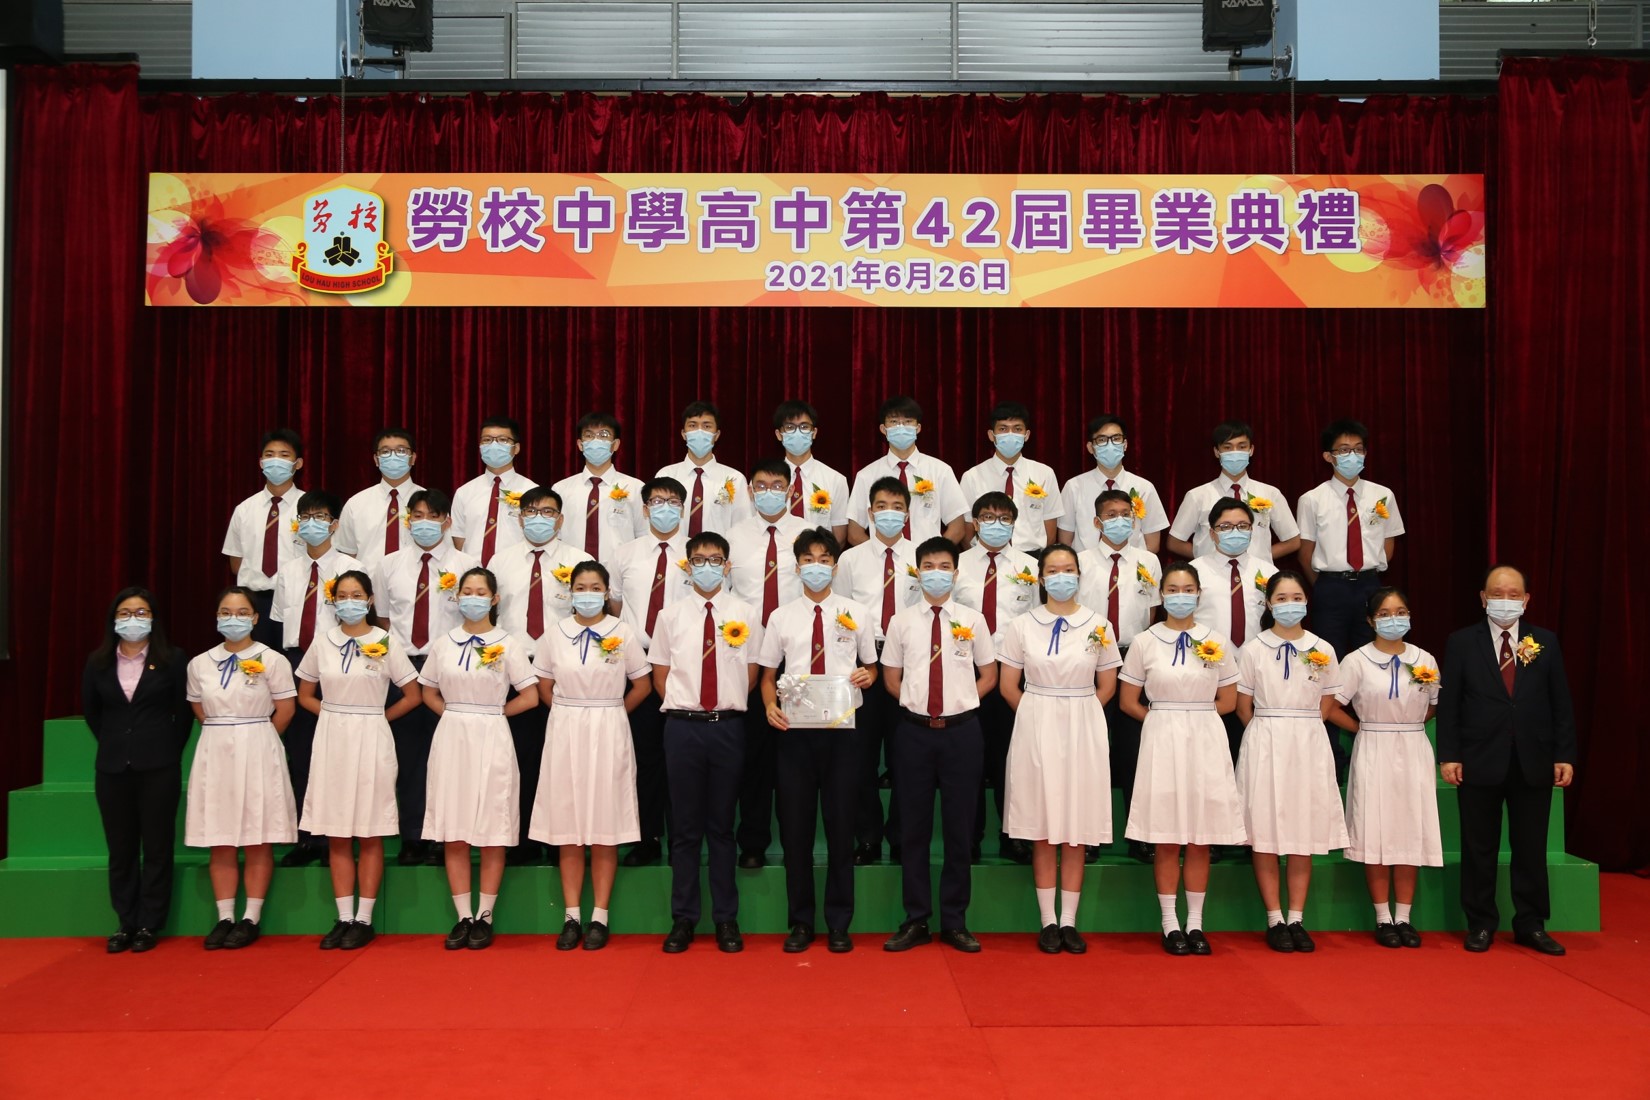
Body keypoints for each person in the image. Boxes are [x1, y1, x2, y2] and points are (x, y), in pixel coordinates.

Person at [1437, 565, 1576, 956]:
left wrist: (1564, 754)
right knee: (1478, 847)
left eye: (1514, 594)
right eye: (1497, 593)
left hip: (1533, 759)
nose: (1505, 600)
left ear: (1526, 599)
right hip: (1478, 759)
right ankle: (1481, 923)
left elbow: (1561, 702)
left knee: (1530, 847)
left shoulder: (1544, 641)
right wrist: (1449, 755)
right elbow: (1450, 704)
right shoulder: (1462, 642)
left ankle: (1531, 924)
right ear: (1483, 598)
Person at [758, 528, 879, 953]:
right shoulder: (781, 617)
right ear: (797, 567)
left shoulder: (856, 612)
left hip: (843, 735)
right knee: (796, 831)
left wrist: (867, 676)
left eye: (824, 559)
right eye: (808, 559)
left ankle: (839, 923)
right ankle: (801, 922)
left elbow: (871, 667)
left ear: (835, 566)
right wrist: (769, 706)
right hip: (794, 735)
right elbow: (768, 676)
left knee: (841, 828)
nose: (816, 566)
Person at [998, 546, 1120, 954]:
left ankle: (1069, 921)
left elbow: (1107, 685)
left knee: (1075, 828)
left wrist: (1077, 715)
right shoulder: (1022, 625)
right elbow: (1008, 686)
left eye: (1068, 569)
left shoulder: (1099, 624)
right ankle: (1047, 921)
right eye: (1053, 570)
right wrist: (1040, 715)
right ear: (1041, 578)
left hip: (1083, 724)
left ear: (1079, 574)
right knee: (1043, 826)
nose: (1061, 576)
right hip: (1036, 723)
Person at [295, 570, 423, 951]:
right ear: (332, 601)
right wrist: (334, 714)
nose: (348, 601)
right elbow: (304, 694)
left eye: (356, 595)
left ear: (369, 600)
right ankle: (343, 917)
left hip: (372, 736)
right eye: (342, 595)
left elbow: (413, 694)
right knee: (336, 831)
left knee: (369, 830)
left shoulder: (385, 641)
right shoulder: (323, 642)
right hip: (332, 737)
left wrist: (376, 717)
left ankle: (364, 919)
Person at [1119, 563, 1243, 957]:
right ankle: (1170, 923)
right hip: (1162, 738)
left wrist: (1194, 718)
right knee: (1167, 835)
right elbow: (1128, 701)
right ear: (1161, 595)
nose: (1180, 596)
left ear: (1199, 594)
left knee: (1200, 836)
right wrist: (1163, 720)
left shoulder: (1216, 641)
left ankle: (1196, 923)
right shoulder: (1144, 641)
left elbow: (1229, 699)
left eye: (1188, 589)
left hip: (1205, 736)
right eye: (1172, 589)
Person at [880, 536, 996, 954]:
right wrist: (918, 705)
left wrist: (959, 702)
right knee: (913, 829)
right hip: (913, 733)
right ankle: (916, 919)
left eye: (944, 566)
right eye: (928, 566)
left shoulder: (973, 620)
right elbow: (891, 678)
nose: (936, 573)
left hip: (962, 734)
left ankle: (954, 921)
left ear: (956, 572)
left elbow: (989, 674)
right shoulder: (901, 622)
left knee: (959, 829)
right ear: (917, 572)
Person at [649, 532, 764, 954]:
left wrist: (722, 706)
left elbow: (751, 672)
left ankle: (725, 918)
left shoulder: (746, 614)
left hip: (728, 728)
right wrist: (689, 708)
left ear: (727, 566)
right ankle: (683, 918)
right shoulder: (669, 616)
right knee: (684, 828)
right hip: (683, 728)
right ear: (687, 566)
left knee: (721, 826)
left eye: (716, 559)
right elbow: (661, 674)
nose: (707, 566)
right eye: (699, 559)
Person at [529, 562, 653, 952]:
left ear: (607, 592)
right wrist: (568, 712)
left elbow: (642, 684)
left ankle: (599, 916)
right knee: (568, 825)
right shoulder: (555, 633)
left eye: (595, 587)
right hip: (566, 728)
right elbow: (543, 684)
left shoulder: (622, 632)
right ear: (570, 592)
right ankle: (571, 917)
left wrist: (612, 713)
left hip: (609, 726)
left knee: (603, 824)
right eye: (580, 587)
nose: (587, 593)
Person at [419, 567, 540, 950]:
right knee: (454, 829)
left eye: (480, 592)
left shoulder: (508, 643)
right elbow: (427, 691)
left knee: (491, 828)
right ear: (457, 598)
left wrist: (493, 714)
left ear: (494, 598)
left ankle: (485, 916)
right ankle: (463, 916)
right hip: (453, 737)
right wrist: (455, 715)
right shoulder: (444, 643)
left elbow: (530, 696)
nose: (472, 598)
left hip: (492, 735)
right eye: (466, 592)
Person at [1234, 572, 1348, 954]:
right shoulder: (1253, 649)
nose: (1289, 604)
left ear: (1307, 601)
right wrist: (1270, 732)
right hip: (1266, 740)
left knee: (1302, 830)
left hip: (1307, 742)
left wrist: (1304, 727)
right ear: (1269, 604)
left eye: (1296, 596)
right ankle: (1274, 919)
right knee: (1265, 832)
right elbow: (1243, 705)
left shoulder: (1322, 648)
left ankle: (1296, 918)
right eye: (1281, 598)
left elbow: (1329, 699)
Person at [1326, 586, 1442, 949]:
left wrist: (1407, 725)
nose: (1395, 619)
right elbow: (1331, 707)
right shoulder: (1356, 660)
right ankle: (1383, 917)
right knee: (1375, 828)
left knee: (1410, 827)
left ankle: (1404, 916)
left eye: (1401, 612)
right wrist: (1363, 728)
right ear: (1371, 620)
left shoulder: (1425, 659)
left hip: (1413, 748)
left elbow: (1433, 705)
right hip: (1374, 747)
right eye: (1385, 614)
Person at [184, 587, 298, 950]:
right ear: (217, 617)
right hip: (216, 749)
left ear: (255, 618)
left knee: (256, 835)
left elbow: (286, 708)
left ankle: (251, 917)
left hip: (258, 745)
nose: (233, 619)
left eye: (242, 612)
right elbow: (199, 709)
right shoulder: (200, 663)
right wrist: (225, 732)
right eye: (226, 612)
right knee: (220, 836)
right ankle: (224, 917)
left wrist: (258, 737)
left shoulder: (272, 659)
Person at [370, 490, 479, 866]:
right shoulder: (389, 565)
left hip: (450, 667)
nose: (425, 523)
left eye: (433, 516)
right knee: (408, 756)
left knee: (450, 757)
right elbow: (385, 619)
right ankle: (414, 835)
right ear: (407, 520)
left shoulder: (467, 564)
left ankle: (445, 836)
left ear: (448, 521)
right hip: (404, 669)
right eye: (417, 516)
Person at [82, 588, 191, 954]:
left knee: (157, 846)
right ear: (113, 619)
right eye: (125, 612)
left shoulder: (173, 659)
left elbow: (182, 715)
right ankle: (126, 921)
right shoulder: (98, 662)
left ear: (153, 618)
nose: (133, 619)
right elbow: (93, 713)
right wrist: (118, 743)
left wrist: (165, 750)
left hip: (159, 766)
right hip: (112, 767)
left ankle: (149, 923)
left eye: (141, 612)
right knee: (121, 848)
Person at [1296, 418, 1405, 779]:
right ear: (1328, 456)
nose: (1352, 456)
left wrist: (1367, 578)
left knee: (1372, 665)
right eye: (1343, 450)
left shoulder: (1382, 495)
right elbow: (1305, 551)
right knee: (1328, 668)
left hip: (1371, 586)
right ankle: (1332, 754)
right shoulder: (1312, 499)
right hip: (1330, 587)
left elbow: (1388, 544)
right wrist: (1327, 585)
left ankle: (1373, 746)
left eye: (1358, 449)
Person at [493, 486, 595, 865]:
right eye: (531, 511)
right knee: (519, 758)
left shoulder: (579, 560)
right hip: (516, 671)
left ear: (561, 519)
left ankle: (561, 841)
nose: (539, 519)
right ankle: (520, 841)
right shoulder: (500, 561)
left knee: (564, 761)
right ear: (520, 518)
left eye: (548, 512)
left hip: (565, 672)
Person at [271, 489, 365, 868]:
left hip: (339, 663)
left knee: (339, 756)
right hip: (297, 663)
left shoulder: (351, 568)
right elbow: (280, 624)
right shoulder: (288, 571)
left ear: (335, 524)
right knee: (300, 754)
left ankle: (337, 839)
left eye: (320, 516)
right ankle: (306, 837)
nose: (312, 524)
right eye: (305, 517)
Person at [726, 460, 812, 868]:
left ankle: (800, 843)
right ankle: (753, 842)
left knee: (798, 758)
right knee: (754, 758)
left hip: (798, 659)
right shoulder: (734, 537)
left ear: (791, 490)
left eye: (778, 485)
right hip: (747, 659)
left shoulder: (808, 535)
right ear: (750, 491)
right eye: (761, 485)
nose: (769, 492)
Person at [604, 476, 693, 868]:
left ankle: (683, 839)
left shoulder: (696, 554)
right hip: (637, 664)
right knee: (643, 756)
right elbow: (615, 607)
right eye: (657, 501)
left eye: (673, 501)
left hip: (683, 663)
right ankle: (647, 837)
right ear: (644, 509)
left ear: (683, 508)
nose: (664, 507)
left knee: (682, 758)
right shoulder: (625, 553)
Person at [837, 477, 923, 864]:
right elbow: (840, 616)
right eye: (882, 506)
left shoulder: (922, 557)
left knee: (907, 757)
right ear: (870, 513)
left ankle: (903, 837)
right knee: (861, 757)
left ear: (908, 513)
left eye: (897, 507)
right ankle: (868, 837)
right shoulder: (850, 559)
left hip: (910, 662)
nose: (890, 513)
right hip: (863, 662)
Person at [1076, 488, 1163, 864]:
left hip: (1134, 657)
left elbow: (1153, 614)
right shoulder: (1080, 561)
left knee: (1134, 751)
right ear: (1097, 522)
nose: (1120, 520)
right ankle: (1087, 835)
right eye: (1111, 515)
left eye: (1126, 513)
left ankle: (1140, 834)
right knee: (1091, 750)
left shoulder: (1149, 561)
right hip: (1089, 658)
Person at [955, 491, 1038, 864]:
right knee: (968, 759)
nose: (996, 524)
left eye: (1005, 518)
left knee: (1012, 759)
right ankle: (969, 837)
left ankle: (1013, 836)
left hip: (1013, 671)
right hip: (966, 669)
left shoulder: (1031, 567)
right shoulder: (956, 565)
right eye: (988, 517)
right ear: (974, 523)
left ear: (1015, 524)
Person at [1191, 498, 1279, 795]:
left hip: (1256, 672)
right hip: (1210, 672)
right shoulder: (1195, 572)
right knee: (1212, 756)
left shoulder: (1268, 573)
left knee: (1253, 754)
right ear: (1212, 532)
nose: (1235, 532)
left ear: (1253, 530)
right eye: (1226, 527)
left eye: (1242, 526)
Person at [1167, 421, 1301, 563]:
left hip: (1257, 574)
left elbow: (1293, 541)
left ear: (1251, 450)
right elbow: (1174, 543)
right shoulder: (1197, 496)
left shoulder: (1270, 493)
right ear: (1217, 452)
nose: (1235, 452)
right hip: (1212, 574)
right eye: (1227, 447)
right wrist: (1207, 559)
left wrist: (1261, 559)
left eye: (1242, 447)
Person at [846, 395, 968, 548]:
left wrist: (933, 556)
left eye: (908, 421)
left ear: (918, 428)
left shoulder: (941, 471)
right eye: (894, 422)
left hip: (927, 560)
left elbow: (957, 528)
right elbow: (854, 533)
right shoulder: (866, 475)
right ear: (883, 429)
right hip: (882, 561)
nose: (901, 427)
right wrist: (880, 555)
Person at [221, 428, 305, 647]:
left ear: (298, 463)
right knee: (255, 662)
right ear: (260, 462)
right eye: (269, 455)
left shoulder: (309, 508)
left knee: (294, 659)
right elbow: (236, 562)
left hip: (297, 600)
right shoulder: (244, 509)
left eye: (284, 455)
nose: (276, 460)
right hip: (253, 601)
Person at [958, 401, 1063, 552]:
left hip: (1032, 558)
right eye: (1003, 429)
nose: (1010, 434)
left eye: (1017, 429)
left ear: (1026, 435)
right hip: (987, 557)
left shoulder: (1044, 473)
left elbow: (1050, 530)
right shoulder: (972, 476)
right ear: (991, 435)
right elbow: (967, 528)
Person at [1056, 414, 1168, 555]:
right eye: (1102, 440)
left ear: (1125, 444)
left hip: (1132, 565)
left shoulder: (1144, 488)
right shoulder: (1074, 487)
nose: (1110, 445)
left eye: (1116, 438)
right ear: (1090, 447)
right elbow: (1065, 542)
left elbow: (1153, 544)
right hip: (1086, 566)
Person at [553, 411, 647, 563]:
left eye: (604, 435)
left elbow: (644, 535)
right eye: (589, 435)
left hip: (620, 570)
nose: (596, 440)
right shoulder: (561, 489)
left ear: (615, 444)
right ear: (580, 444)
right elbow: (554, 536)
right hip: (572, 569)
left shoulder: (635, 488)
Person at [450, 415, 538, 566]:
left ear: (516, 448)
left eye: (503, 440)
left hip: (516, 570)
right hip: (473, 574)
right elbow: (458, 538)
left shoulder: (531, 491)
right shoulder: (464, 492)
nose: (494, 445)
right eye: (487, 440)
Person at [656, 400, 752, 536]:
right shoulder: (666, 475)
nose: (699, 431)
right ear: (683, 434)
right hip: (676, 549)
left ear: (716, 435)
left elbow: (743, 527)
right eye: (693, 425)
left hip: (719, 550)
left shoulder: (735, 479)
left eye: (707, 426)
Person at [335, 427, 425, 569]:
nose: (393, 456)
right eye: (385, 451)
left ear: (413, 458)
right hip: (367, 581)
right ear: (376, 460)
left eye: (401, 450)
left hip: (415, 581)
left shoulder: (429, 501)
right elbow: (346, 555)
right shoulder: (356, 504)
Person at [774, 399, 851, 545]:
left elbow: (839, 538)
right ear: (779, 434)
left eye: (804, 427)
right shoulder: (764, 481)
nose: (797, 432)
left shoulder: (835, 479)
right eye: (790, 427)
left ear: (814, 432)